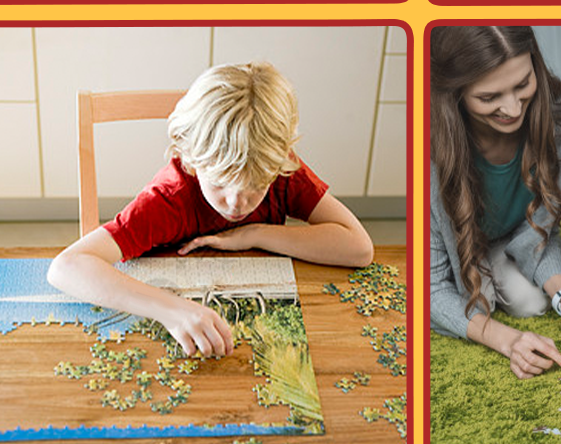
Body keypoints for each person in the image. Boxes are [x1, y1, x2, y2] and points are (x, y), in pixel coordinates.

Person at [48, 61, 374, 358]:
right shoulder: (170, 198)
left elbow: (358, 248)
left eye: (255, 187)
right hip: (168, 336)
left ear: (281, 159)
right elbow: (66, 266)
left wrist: (255, 234)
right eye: (220, 184)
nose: (236, 203)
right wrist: (171, 310)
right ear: (190, 158)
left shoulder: (279, 169)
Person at [430, 25, 561, 379]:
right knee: (474, 304)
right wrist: (506, 339)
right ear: (455, 94)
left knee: (531, 303)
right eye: (489, 97)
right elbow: (429, 287)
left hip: (509, 236)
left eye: (522, 84)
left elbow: (539, 228)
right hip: (456, 248)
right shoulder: (429, 150)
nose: (512, 107)